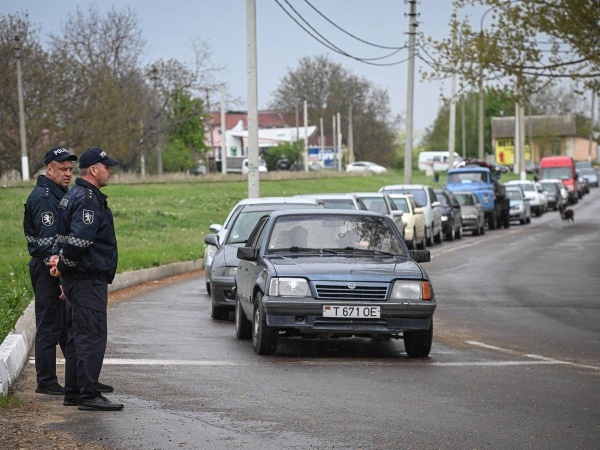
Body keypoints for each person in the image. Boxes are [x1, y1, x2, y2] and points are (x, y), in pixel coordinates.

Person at [49, 148, 123, 411]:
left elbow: (61, 240)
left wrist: (63, 270)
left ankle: (74, 392)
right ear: (93, 169)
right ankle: (88, 395)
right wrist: (65, 269)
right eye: (107, 166)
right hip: (87, 279)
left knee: (76, 337)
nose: (110, 171)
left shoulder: (73, 195)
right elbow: (78, 242)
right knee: (91, 336)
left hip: (77, 280)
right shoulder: (88, 199)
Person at [23, 147, 77, 395]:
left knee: (65, 325)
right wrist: (59, 271)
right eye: (62, 169)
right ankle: (46, 381)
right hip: (48, 269)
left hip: (55, 266)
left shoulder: (57, 194)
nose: (68, 174)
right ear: (49, 169)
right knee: (49, 325)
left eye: (70, 169)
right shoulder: (45, 198)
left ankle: (78, 377)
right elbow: (48, 244)